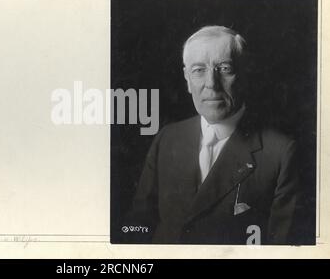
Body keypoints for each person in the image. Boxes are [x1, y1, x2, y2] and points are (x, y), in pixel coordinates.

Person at [125, 25, 303, 245]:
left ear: (244, 73)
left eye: (225, 68)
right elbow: (138, 226)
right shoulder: (168, 138)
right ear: (187, 79)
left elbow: (282, 248)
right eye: (198, 70)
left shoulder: (280, 153)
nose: (211, 84)